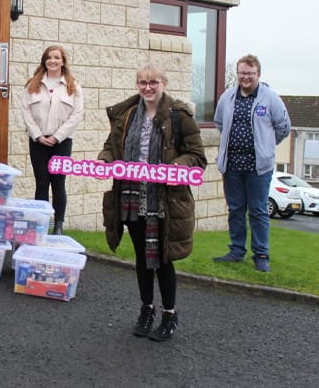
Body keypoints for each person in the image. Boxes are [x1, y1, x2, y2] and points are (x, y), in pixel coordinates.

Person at [97, 64, 207, 341]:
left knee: (162, 259)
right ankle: (146, 309)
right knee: (142, 259)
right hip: (131, 196)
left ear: (164, 83)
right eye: (142, 82)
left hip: (163, 200)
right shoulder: (128, 114)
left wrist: (175, 168)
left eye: (153, 82)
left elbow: (197, 156)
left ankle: (169, 314)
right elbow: (112, 146)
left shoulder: (179, 116)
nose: (147, 87)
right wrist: (104, 161)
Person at [212, 54, 291, 273]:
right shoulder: (227, 97)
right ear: (237, 74)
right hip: (232, 166)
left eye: (250, 73)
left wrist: (267, 145)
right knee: (236, 210)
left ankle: (261, 254)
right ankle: (236, 251)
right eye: (242, 73)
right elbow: (219, 122)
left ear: (258, 74)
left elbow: (284, 126)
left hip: (259, 167)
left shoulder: (270, 98)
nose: (246, 77)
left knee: (258, 211)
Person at [21, 45, 84, 235]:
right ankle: (41, 223)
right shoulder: (32, 84)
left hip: (61, 143)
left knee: (58, 183)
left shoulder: (73, 87)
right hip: (38, 141)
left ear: (63, 61)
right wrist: (38, 136)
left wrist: (57, 137)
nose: (52, 61)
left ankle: (58, 224)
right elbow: (26, 112)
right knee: (42, 182)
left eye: (56, 57)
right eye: (49, 57)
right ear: (44, 61)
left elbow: (76, 114)